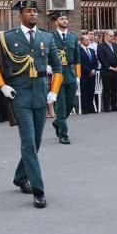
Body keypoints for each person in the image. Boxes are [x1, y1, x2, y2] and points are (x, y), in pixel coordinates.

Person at [0, 0, 63, 209]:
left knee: (36, 141)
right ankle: (38, 190)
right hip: (19, 95)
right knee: (28, 142)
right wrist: (3, 86)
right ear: (20, 14)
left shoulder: (46, 37)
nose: (33, 14)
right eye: (28, 11)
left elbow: (57, 66)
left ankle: (20, 177)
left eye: (35, 11)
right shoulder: (8, 37)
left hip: (40, 93)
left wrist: (54, 91)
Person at [50, 11, 80, 144]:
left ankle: (58, 122)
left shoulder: (73, 37)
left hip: (70, 72)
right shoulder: (50, 37)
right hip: (58, 72)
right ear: (56, 22)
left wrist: (78, 75)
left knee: (71, 103)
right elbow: (45, 53)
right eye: (62, 19)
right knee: (61, 104)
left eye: (66, 19)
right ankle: (63, 134)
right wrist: (48, 66)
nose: (65, 21)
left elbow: (78, 57)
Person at [97, 30, 117, 111]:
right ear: (106, 36)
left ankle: (114, 105)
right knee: (107, 89)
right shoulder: (101, 46)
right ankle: (106, 106)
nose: (112, 37)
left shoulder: (116, 45)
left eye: (113, 36)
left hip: (116, 71)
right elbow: (101, 59)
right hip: (107, 71)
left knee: (115, 89)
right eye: (111, 36)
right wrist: (110, 67)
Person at [79, 33, 100, 113]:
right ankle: (85, 108)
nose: (89, 41)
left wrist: (94, 70)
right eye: (87, 40)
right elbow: (80, 62)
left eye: (89, 40)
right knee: (84, 92)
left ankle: (91, 107)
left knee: (91, 91)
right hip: (84, 74)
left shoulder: (91, 50)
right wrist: (89, 71)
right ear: (82, 41)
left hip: (92, 74)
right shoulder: (79, 50)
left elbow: (96, 62)